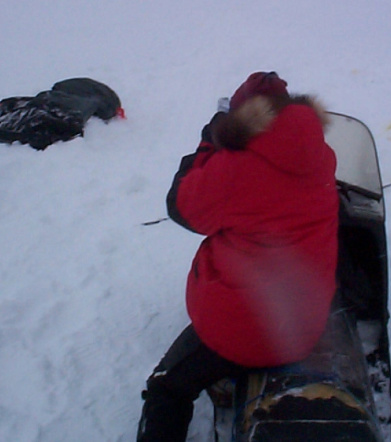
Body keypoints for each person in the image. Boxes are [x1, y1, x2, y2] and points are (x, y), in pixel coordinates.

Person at [137, 71, 340, 442]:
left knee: (167, 388)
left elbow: (182, 207)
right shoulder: (322, 156)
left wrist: (209, 145)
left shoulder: (233, 168)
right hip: (303, 324)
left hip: (245, 331)